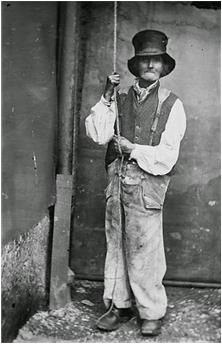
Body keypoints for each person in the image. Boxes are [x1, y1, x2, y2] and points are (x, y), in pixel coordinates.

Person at [85, 30, 186, 336]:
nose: (150, 65)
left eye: (155, 60)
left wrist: (133, 149)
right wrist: (105, 95)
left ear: (164, 66)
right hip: (116, 183)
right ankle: (119, 306)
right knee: (116, 245)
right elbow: (98, 135)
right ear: (136, 65)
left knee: (146, 249)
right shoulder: (119, 97)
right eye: (144, 60)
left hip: (147, 187)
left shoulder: (173, 104)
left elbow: (167, 157)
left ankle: (151, 311)